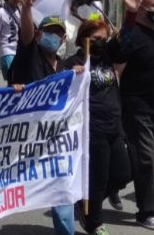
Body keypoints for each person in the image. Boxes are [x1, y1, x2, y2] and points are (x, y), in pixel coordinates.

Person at [107, 0, 154, 231]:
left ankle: (111, 184)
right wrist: (129, 17)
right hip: (136, 107)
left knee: (152, 156)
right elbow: (116, 54)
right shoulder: (131, 32)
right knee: (145, 160)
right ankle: (147, 213)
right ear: (142, 8)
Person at [8, 0, 74, 235]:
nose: (53, 36)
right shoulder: (30, 55)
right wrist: (26, 10)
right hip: (23, 139)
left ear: (64, 37)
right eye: (48, 31)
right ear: (38, 35)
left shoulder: (65, 66)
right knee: (6, 187)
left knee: (62, 190)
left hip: (55, 140)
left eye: (58, 33)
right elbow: (25, 35)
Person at [63, 19, 130, 235]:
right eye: (95, 40)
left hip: (114, 125)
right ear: (84, 40)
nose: (101, 43)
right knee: (99, 177)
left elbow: (124, 43)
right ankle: (95, 223)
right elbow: (61, 88)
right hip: (92, 128)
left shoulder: (108, 58)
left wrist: (128, 18)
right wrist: (72, 74)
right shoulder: (74, 61)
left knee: (122, 174)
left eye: (104, 39)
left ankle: (85, 203)